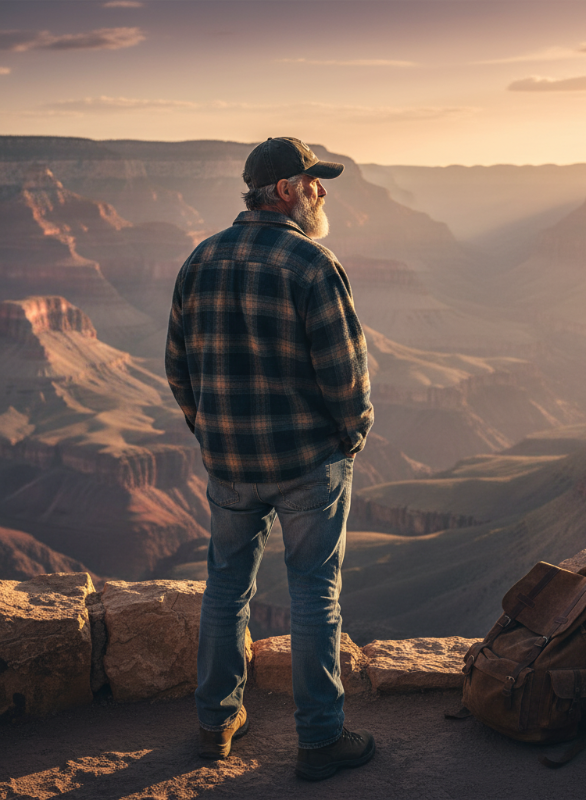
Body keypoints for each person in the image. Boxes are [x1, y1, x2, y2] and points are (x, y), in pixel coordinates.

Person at [165, 136, 375, 781]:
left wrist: (211, 435)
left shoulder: (201, 259)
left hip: (229, 464)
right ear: (285, 190)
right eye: (314, 181)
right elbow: (346, 376)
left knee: (227, 588)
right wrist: (352, 436)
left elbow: (178, 368)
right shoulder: (311, 263)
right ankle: (319, 741)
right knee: (315, 593)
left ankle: (215, 724)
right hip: (307, 461)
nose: (322, 191)